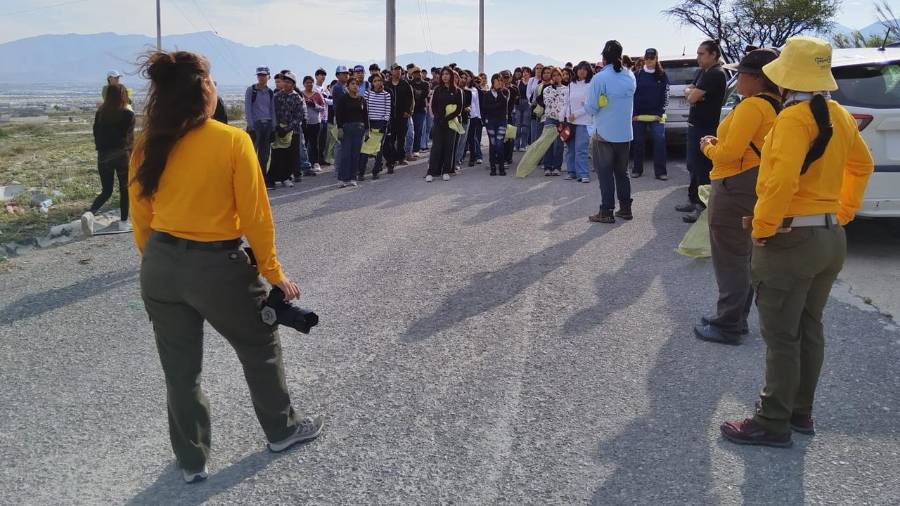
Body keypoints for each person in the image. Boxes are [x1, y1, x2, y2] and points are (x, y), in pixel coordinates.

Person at [128, 50, 323, 484]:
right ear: (202, 91)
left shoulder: (147, 144)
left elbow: (140, 216)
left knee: (180, 371)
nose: (215, 87)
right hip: (217, 265)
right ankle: (283, 430)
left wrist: (159, 262)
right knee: (259, 347)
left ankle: (192, 460)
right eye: (212, 80)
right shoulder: (231, 141)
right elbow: (256, 217)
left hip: (159, 265)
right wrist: (274, 274)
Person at [720, 36, 874, 448]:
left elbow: (781, 180)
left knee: (781, 336)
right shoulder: (839, 114)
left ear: (786, 75)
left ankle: (773, 420)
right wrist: (841, 212)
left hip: (791, 237)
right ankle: (800, 411)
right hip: (829, 237)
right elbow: (863, 164)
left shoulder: (792, 118)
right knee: (809, 327)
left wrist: (763, 228)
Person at [692, 48, 781, 345]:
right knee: (744, 254)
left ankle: (728, 323)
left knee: (730, 255)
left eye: (741, 74)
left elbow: (728, 154)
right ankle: (735, 317)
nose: (738, 78)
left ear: (756, 78)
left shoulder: (752, 107)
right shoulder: (775, 105)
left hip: (735, 183)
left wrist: (707, 145)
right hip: (754, 181)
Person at [586, 40, 636, 224]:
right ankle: (625, 209)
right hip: (624, 133)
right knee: (622, 173)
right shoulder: (630, 75)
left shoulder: (600, 78)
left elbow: (591, 107)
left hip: (604, 133)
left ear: (603, 57)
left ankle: (606, 210)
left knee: (605, 174)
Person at [679, 40, 728, 223]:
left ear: (713, 54)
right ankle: (692, 200)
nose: (698, 57)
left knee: (702, 167)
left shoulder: (715, 74)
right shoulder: (702, 72)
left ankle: (703, 206)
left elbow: (691, 97)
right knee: (692, 166)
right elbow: (691, 91)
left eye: (701, 54)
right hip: (694, 125)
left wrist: (692, 93)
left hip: (705, 127)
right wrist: (691, 92)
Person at [82, 83, 135, 236]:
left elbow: (95, 134)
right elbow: (129, 139)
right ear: (123, 96)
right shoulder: (128, 114)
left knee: (106, 191)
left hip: (103, 156)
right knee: (125, 190)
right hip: (122, 156)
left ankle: (90, 213)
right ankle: (124, 223)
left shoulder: (100, 113)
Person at [631, 48, 670, 180]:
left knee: (659, 141)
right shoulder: (636, 75)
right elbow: (631, 95)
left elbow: (666, 95)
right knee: (638, 143)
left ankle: (661, 172)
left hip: (657, 116)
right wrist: (634, 113)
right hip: (638, 116)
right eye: (647, 58)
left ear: (656, 59)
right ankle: (637, 169)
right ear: (644, 58)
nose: (649, 61)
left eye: (652, 58)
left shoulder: (662, 75)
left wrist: (661, 112)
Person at [269, 72, 305, 188]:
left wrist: (288, 128)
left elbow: (299, 116)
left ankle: (287, 177)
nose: (286, 84)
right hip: (279, 130)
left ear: (293, 84)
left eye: (288, 82)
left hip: (293, 131)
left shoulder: (297, 98)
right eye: (284, 81)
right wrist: (277, 126)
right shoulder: (277, 96)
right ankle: (275, 178)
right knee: (278, 155)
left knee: (291, 155)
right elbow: (273, 112)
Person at [427, 67, 462, 182]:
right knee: (436, 147)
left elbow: (459, 109)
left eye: (447, 74)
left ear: (451, 76)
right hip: (438, 122)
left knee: (449, 147)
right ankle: (431, 172)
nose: (445, 76)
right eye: (443, 74)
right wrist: (438, 118)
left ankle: (446, 171)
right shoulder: (437, 90)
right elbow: (433, 106)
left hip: (451, 123)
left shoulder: (457, 91)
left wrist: (448, 118)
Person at [335, 76, 369, 188]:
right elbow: (339, 114)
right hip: (346, 129)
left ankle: (353, 177)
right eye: (352, 84)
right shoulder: (343, 99)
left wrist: (367, 129)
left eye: (357, 84)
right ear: (348, 86)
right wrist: (339, 128)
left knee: (355, 155)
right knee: (345, 155)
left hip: (359, 129)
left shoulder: (362, 99)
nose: (355, 86)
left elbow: (365, 116)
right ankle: (342, 179)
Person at [564, 61, 593, 183]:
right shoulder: (571, 84)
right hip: (570, 122)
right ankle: (571, 172)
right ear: (576, 70)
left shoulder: (591, 85)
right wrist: (565, 117)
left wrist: (575, 115)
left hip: (584, 121)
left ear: (589, 72)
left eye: (585, 69)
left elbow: (589, 105)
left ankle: (583, 173)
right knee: (570, 149)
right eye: (580, 68)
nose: (582, 71)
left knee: (581, 149)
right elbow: (566, 103)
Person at [244, 67, 277, 175]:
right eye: (259, 75)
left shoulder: (270, 92)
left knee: (265, 154)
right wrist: (251, 126)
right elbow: (248, 109)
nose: (261, 77)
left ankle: (262, 178)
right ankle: (251, 177)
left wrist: (274, 127)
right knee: (252, 153)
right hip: (255, 125)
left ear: (268, 77)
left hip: (267, 125)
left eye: (263, 75)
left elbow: (272, 110)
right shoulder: (251, 90)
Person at [361, 73, 391, 180]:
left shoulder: (386, 95)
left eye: (379, 80)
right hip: (370, 123)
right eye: (375, 81)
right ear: (372, 83)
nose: (378, 82)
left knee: (378, 148)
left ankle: (376, 170)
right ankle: (361, 172)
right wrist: (366, 124)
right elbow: (365, 110)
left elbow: (387, 111)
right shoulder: (367, 94)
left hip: (381, 123)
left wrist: (384, 123)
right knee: (366, 148)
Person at [384, 64, 414, 172]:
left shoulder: (405, 84)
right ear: (391, 72)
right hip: (390, 117)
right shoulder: (386, 85)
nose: (397, 71)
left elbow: (411, 99)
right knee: (391, 139)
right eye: (395, 69)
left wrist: (409, 111)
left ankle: (401, 158)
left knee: (401, 138)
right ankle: (391, 159)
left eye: (399, 70)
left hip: (402, 116)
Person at [480, 74, 510, 176]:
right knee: (492, 144)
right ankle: (493, 167)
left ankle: (501, 167)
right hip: (490, 122)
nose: (499, 83)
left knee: (500, 144)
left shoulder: (505, 92)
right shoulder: (487, 94)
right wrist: (485, 120)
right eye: (497, 81)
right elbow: (485, 108)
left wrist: (500, 92)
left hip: (501, 121)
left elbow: (504, 105)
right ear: (493, 81)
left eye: (501, 81)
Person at [540, 67, 567, 176]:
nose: (556, 77)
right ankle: (547, 166)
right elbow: (548, 102)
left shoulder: (567, 89)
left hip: (562, 120)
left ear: (561, 76)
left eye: (558, 75)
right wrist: (556, 93)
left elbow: (566, 104)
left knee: (559, 144)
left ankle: (557, 167)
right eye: (554, 75)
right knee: (548, 143)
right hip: (550, 118)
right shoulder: (547, 89)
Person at [300, 76, 326, 176]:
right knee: (304, 144)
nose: (309, 84)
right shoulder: (300, 94)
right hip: (304, 123)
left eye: (311, 82)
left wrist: (314, 105)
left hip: (316, 122)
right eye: (307, 82)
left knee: (315, 143)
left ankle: (316, 163)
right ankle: (305, 164)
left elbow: (323, 108)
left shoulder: (317, 94)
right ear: (304, 84)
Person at [331, 66, 351, 177]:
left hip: (347, 119)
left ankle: (343, 169)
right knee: (339, 145)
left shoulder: (345, 87)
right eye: (343, 73)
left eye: (347, 73)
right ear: (337, 75)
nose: (346, 75)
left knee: (345, 144)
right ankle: (338, 171)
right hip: (340, 119)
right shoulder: (338, 88)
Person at [452, 71, 473, 172]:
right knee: (453, 141)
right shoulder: (453, 91)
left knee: (462, 142)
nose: (463, 79)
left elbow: (467, 105)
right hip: (454, 120)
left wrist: (466, 108)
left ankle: (457, 161)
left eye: (465, 78)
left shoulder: (468, 92)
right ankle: (450, 161)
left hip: (465, 119)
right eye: (462, 77)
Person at [410, 67, 430, 157]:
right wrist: (417, 94)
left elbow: (424, 95)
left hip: (421, 110)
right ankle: (409, 148)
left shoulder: (425, 84)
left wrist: (416, 93)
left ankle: (416, 149)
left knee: (418, 130)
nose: (417, 74)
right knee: (410, 131)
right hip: (411, 110)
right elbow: (410, 95)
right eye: (415, 73)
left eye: (418, 72)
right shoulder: (409, 83)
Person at [466, 74, 485, 167]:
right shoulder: (460, 88)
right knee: (463, 139)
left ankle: (475, 157)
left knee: (472, 138)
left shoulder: (474, 90)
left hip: (473, 116)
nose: (466, 79)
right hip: (462, 116)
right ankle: (459, 158)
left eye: (467, 76)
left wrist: (479, 116)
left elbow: (476, 104)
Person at [314, 68, 330, 168]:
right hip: (318, 118)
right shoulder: (314, 88)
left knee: (323, 140)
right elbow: (324, 101)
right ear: (316, 76)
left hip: (325, 117)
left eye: (324, 75)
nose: (323, 77)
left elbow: (328, 99)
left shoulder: (324, 89)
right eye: (320, 75)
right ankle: (316, 160)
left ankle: (321, 158)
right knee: (317, 140)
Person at [515, 67, 533, 150]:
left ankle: (523, 145)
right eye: (524, 72)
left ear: (530, 74)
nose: (525, 74)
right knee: (517, 125)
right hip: (519, 104)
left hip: (527, 104)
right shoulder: (518, 82)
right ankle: (516, 144)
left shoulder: (531, 82)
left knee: (525, 125)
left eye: (527, 72)